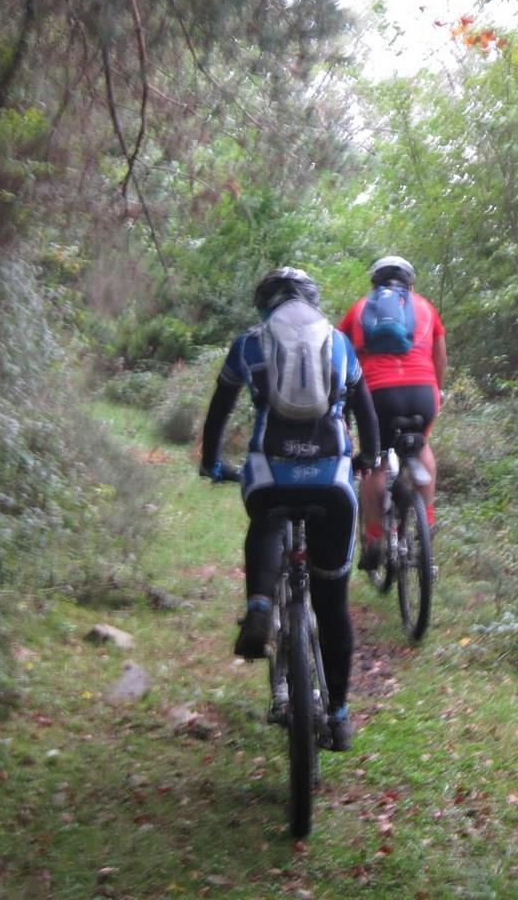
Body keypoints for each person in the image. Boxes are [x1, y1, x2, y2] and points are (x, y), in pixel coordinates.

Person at [198, 267, 380, 752]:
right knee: (333, 604)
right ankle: (338, 716)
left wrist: (212, 463)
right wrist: (368, 458)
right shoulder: (340, 344)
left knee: (266, 518)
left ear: (266, 304)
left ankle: (259, 606)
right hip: (333, 484)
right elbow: (365, 412)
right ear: (312, 303)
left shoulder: (249, 344)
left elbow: (219, 408)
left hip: (269, 475)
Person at [336, 255, 446, 570]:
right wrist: (436, 391)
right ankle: (427, 519)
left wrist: (343, 403)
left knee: (377, 461)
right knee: (422, 446)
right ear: (410, 284)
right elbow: (440, 358)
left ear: (374, 282)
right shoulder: (426, 308)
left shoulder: (359, 310)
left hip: (377, 394)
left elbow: (339, 356)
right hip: (422, 393)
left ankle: (374, 539)